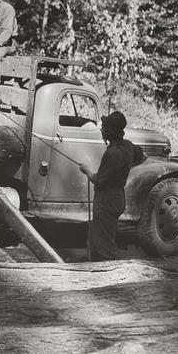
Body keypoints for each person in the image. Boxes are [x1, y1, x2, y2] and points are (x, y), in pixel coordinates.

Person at [78, 111, 145, 261]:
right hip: (118, 197)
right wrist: (125, 168)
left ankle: (110, 271)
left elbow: (100, 181)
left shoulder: (112, 154)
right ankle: (93, 263)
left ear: (110, 131)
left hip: (106, 199)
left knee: (105, 243)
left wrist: (86, 171)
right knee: (99, 233)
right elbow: (142, 156)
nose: (101, 129)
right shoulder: (127, 145)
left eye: (103, 127)